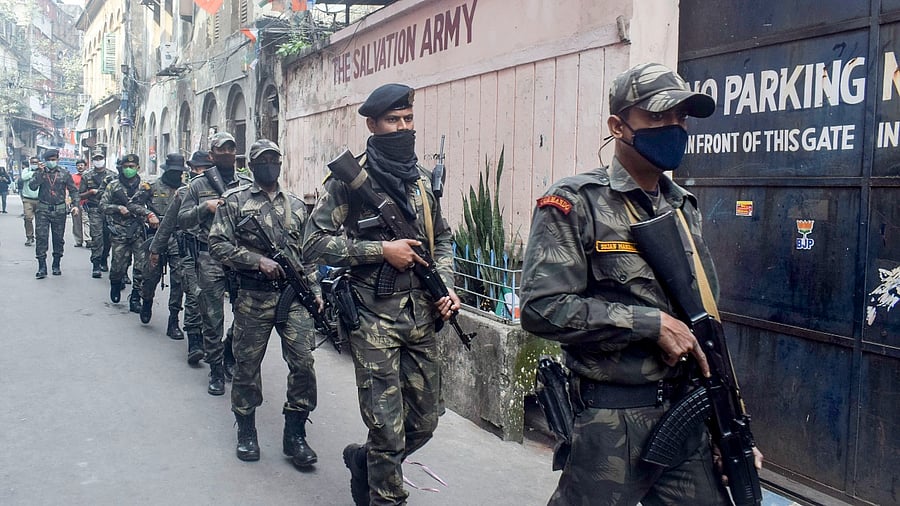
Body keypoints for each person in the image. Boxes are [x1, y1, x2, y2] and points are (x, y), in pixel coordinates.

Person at [519, 62, 763, 506]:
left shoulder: (683, 207)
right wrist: (648, 324)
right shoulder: (577, 202)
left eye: (680, 118)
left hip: (686, 417)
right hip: (612, 421)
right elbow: (541, 308)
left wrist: (732, 424)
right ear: (618, 125)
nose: (673, 128)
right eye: (657, 117)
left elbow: (706, 326)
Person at [302, 83, 460, 506]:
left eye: (408, 119)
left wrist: (445, 285)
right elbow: (313, 245)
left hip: (421, 315)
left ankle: (365, 463)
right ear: (372, 124)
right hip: (373, 317)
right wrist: (380, 251)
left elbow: (441, 238)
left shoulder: (422, 181)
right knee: (387, 430)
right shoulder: (348, 182)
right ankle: (386, 496)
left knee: (425, 421)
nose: (402, 128)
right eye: (393, 120)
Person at [209, 139, 320, 467]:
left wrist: (316, 292)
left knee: (303, 363)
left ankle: (295, 434)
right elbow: (217, 244)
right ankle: (246, 429)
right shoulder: (235, 201)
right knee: (247, 366)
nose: (270, 164)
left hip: (292, 297)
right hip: (253, 296)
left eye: (274, 158)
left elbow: (308, 256)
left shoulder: (298, 206)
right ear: (252, 164)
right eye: (263, 159)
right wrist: (255, 260)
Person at [178, 132, 252, 396]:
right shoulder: (198, 186)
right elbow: (182, 219)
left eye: (231, 149)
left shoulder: (246, 183)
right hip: (209, 257)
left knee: (245, 314)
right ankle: (216, 370)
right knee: (212, 317)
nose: (227, 154)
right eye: (221, 150)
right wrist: (205, 208)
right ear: (211, 155)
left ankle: (229, 353)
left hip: (239, 256)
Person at [151, 151, 210, 363]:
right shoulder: (184, 192)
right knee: (191, 293)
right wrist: (156, 249)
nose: (198, 173)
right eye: (194, 169)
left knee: (211, 301)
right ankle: (192, 338)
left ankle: (213, 342)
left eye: (202, 169)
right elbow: (168, 222)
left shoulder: (223, 193)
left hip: (217, 256)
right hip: (189, 252)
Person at [132, 153, 188, 338]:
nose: (176, 175)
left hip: (178, 238)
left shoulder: (187, 190)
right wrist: (148, 214)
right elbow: (133, 204)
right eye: (173, 171)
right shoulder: (152, 187)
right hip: (156, 237)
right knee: (150, 276)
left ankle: (173, 320)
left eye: (179, 172)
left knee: (178, 280)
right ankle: (146, 301)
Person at [101, 153, 152, 312]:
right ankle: (115, 284)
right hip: (119, 231)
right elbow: (102, 206)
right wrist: (117, 208)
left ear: (138, 167)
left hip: (138, 230)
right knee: (118, 266)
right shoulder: (113, 186)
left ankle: (136, 296)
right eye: (125, 167)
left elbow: (153, 206)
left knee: (141, 267)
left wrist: (148, 215)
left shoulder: (145, 187)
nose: (129, 170)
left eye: (132, 167)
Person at [29, 149, 80, 278]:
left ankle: (56, 264)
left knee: (58, 239)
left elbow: (73, 190)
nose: (51, 162)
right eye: (49, 160)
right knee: (41, 238)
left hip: (59, 210)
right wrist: (40, 172)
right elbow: (32, 186)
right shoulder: (40, 173)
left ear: (57, 160)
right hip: (43, 210)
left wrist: (75, 205)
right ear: (45, 161)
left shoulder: (64, 173)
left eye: (54, 160)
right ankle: (42, 266)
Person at [81, 149, 116, 277]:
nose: (98, 161)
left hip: (109, 210)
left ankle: (103, 258)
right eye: (96, 159)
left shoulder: (112, 175)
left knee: (108, 237)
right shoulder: (87, 176)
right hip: (94, 209)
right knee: (97, 237)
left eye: (100, 158)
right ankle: (96, 264)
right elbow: (80, 195)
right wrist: (90, 193)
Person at [20, 156, 41, 246]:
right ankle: (29, 237)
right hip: (27, 199)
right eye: (32, 163)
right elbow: (23, 177)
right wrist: (33, 173)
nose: (34, 165)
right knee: (28, 218)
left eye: (36, 163)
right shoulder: (26, 170)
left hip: (40, 200)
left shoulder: (42, 171)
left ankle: (40, 237)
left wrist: (39, 171)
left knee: (40, 221)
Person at [70, 159, 88, 247]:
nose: (80, 167)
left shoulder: (89, 176)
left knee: (87, 221)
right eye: (78, 165)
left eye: (81, 165)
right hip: (75, 203)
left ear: (85, 166)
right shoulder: (73, 177)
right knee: (76, 222)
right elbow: (68, 189)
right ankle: (78, 240)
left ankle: (88, 240)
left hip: (86, 203)